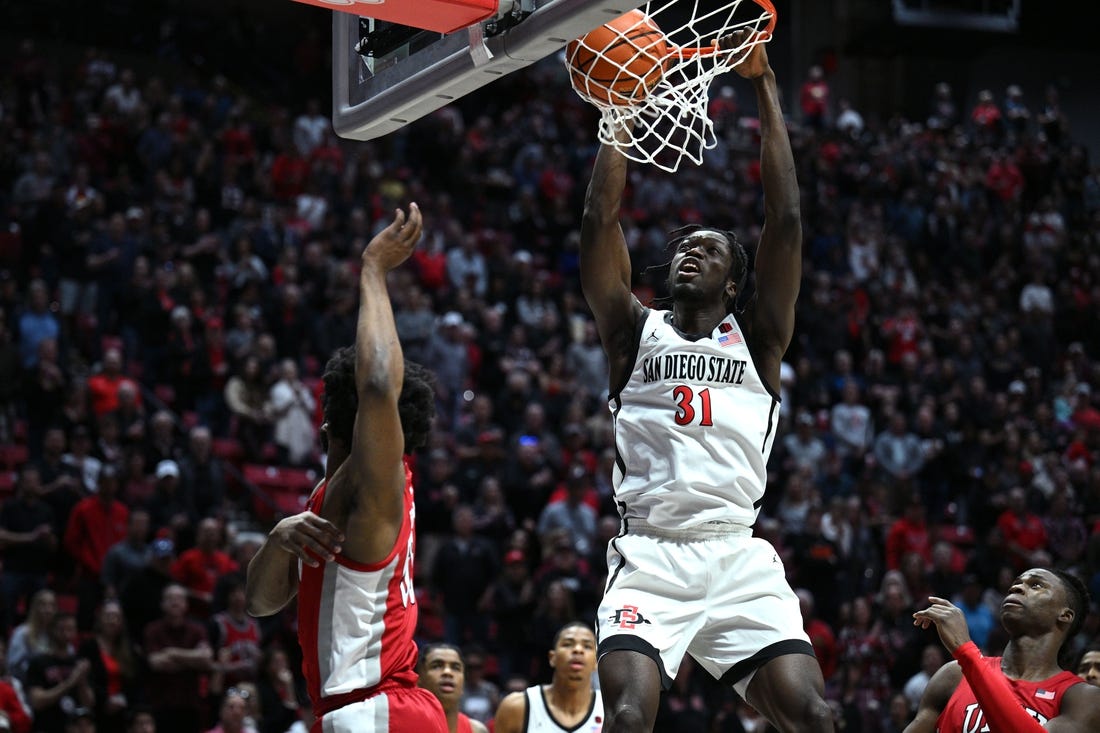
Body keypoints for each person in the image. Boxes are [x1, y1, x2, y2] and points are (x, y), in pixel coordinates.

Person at [578, 29, 830, 732]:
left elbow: (785, 218)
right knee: (627, 716)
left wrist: (765, 86)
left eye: (709, 248)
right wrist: (619, 110)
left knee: (815, 713)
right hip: (650, 552)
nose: (690, 251)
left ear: (736, 278)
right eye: (684, 246)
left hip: (737, 550)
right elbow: (600, 220)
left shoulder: (759, 338)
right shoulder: (634, 332)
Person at [245, 205, 447, 732]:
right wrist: (277, 538)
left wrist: (374, 270)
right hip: (366, 711)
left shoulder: (375, 481)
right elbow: (259, 603)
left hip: (378, 708)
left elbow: (379, 383)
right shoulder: (322, 500)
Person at [904, 568, 1100, 732]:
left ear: (1064, 615)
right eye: (1017, 582)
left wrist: (966, 650)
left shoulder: (1082, 697)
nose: (1016, 587)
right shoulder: (954, 675)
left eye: (1036, 585)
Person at [493, 621, 603, 733]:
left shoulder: (609, 709)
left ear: (596, 661)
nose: (578, 650)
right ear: (552, 658)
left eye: (587, 646)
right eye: (568, 644)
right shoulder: (516, 707)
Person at [417, 645, 489, 733]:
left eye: (456, 668)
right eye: (436, 666)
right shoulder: (406, 725)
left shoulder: (477, 730)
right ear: (419, 679)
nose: (447, 672)